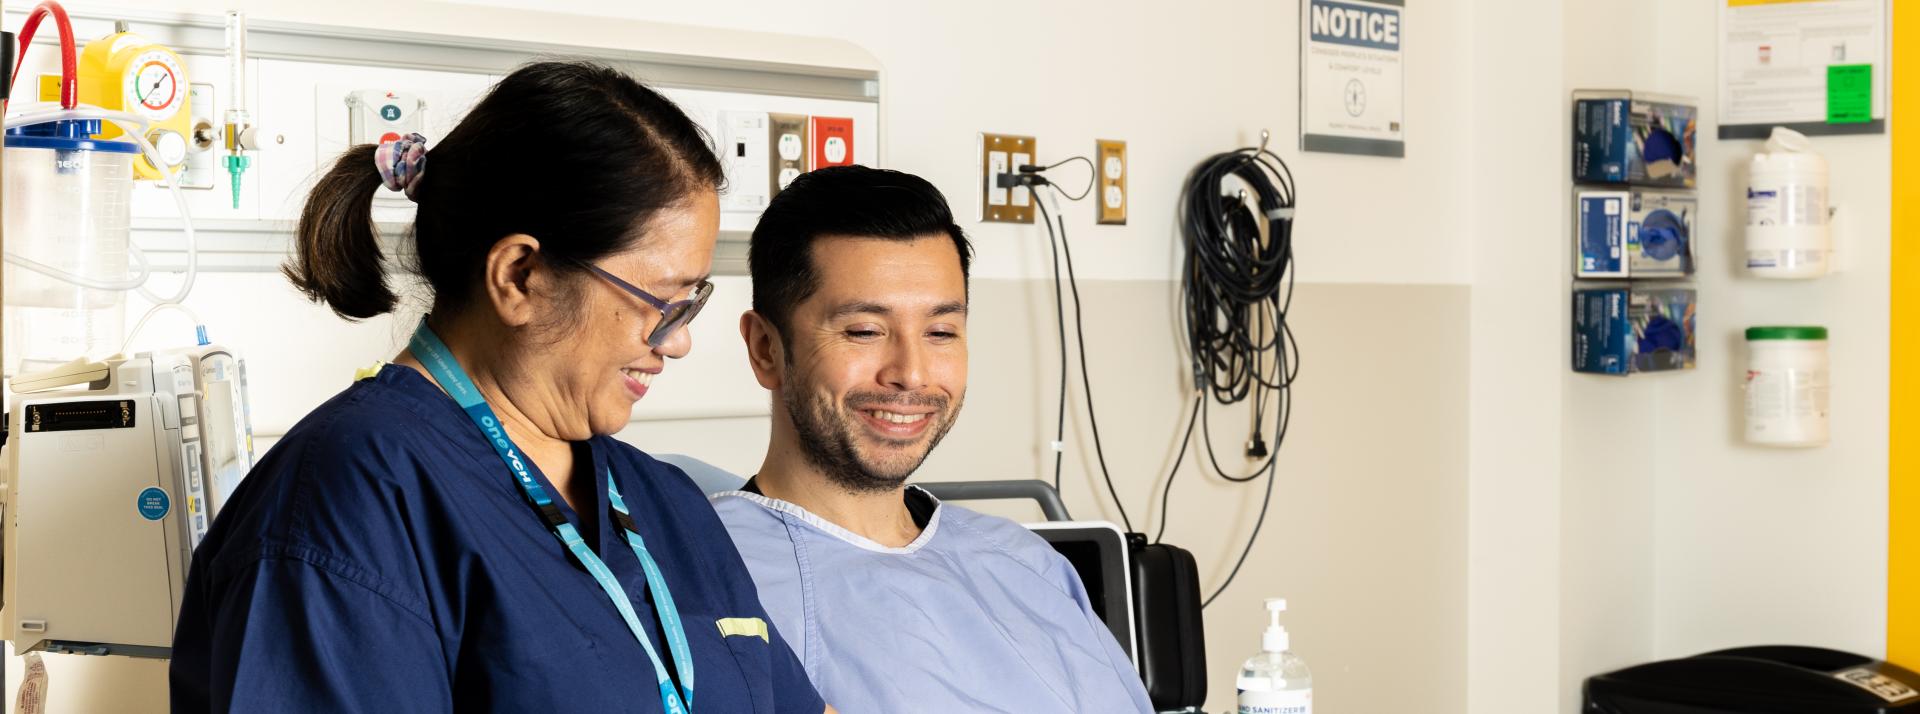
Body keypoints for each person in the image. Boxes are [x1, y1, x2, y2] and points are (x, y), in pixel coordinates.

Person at [171, 61, 827, 714]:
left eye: (690, 303)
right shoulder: (347, 503)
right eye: (660, 301)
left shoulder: (667, 505)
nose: (677, 339)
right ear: (520, 278)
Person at [711, 165, 1154, 713]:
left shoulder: (1026, 563)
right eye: (865, 331)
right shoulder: (708, 581)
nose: (912, 374)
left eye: (941, 332)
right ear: (765, 349)